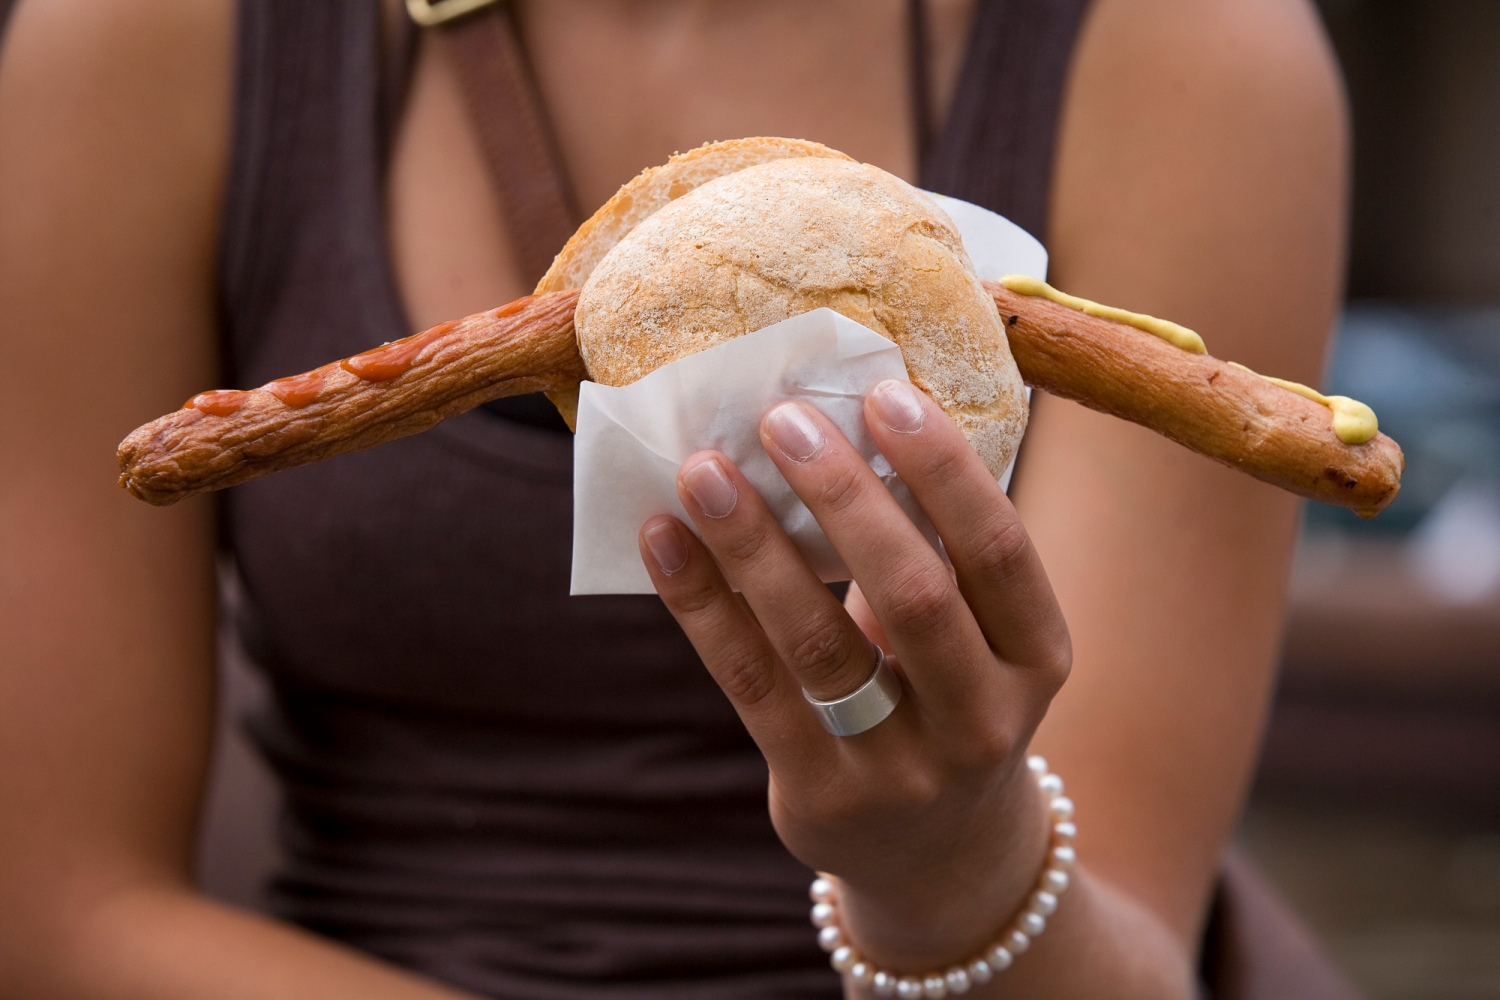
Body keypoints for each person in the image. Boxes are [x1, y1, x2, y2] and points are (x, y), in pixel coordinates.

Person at [0, 0, 1351, 997]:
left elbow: (1132, 950)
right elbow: (56, 918)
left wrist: (957, 869)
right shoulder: (154, 38)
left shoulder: (1185, 50)